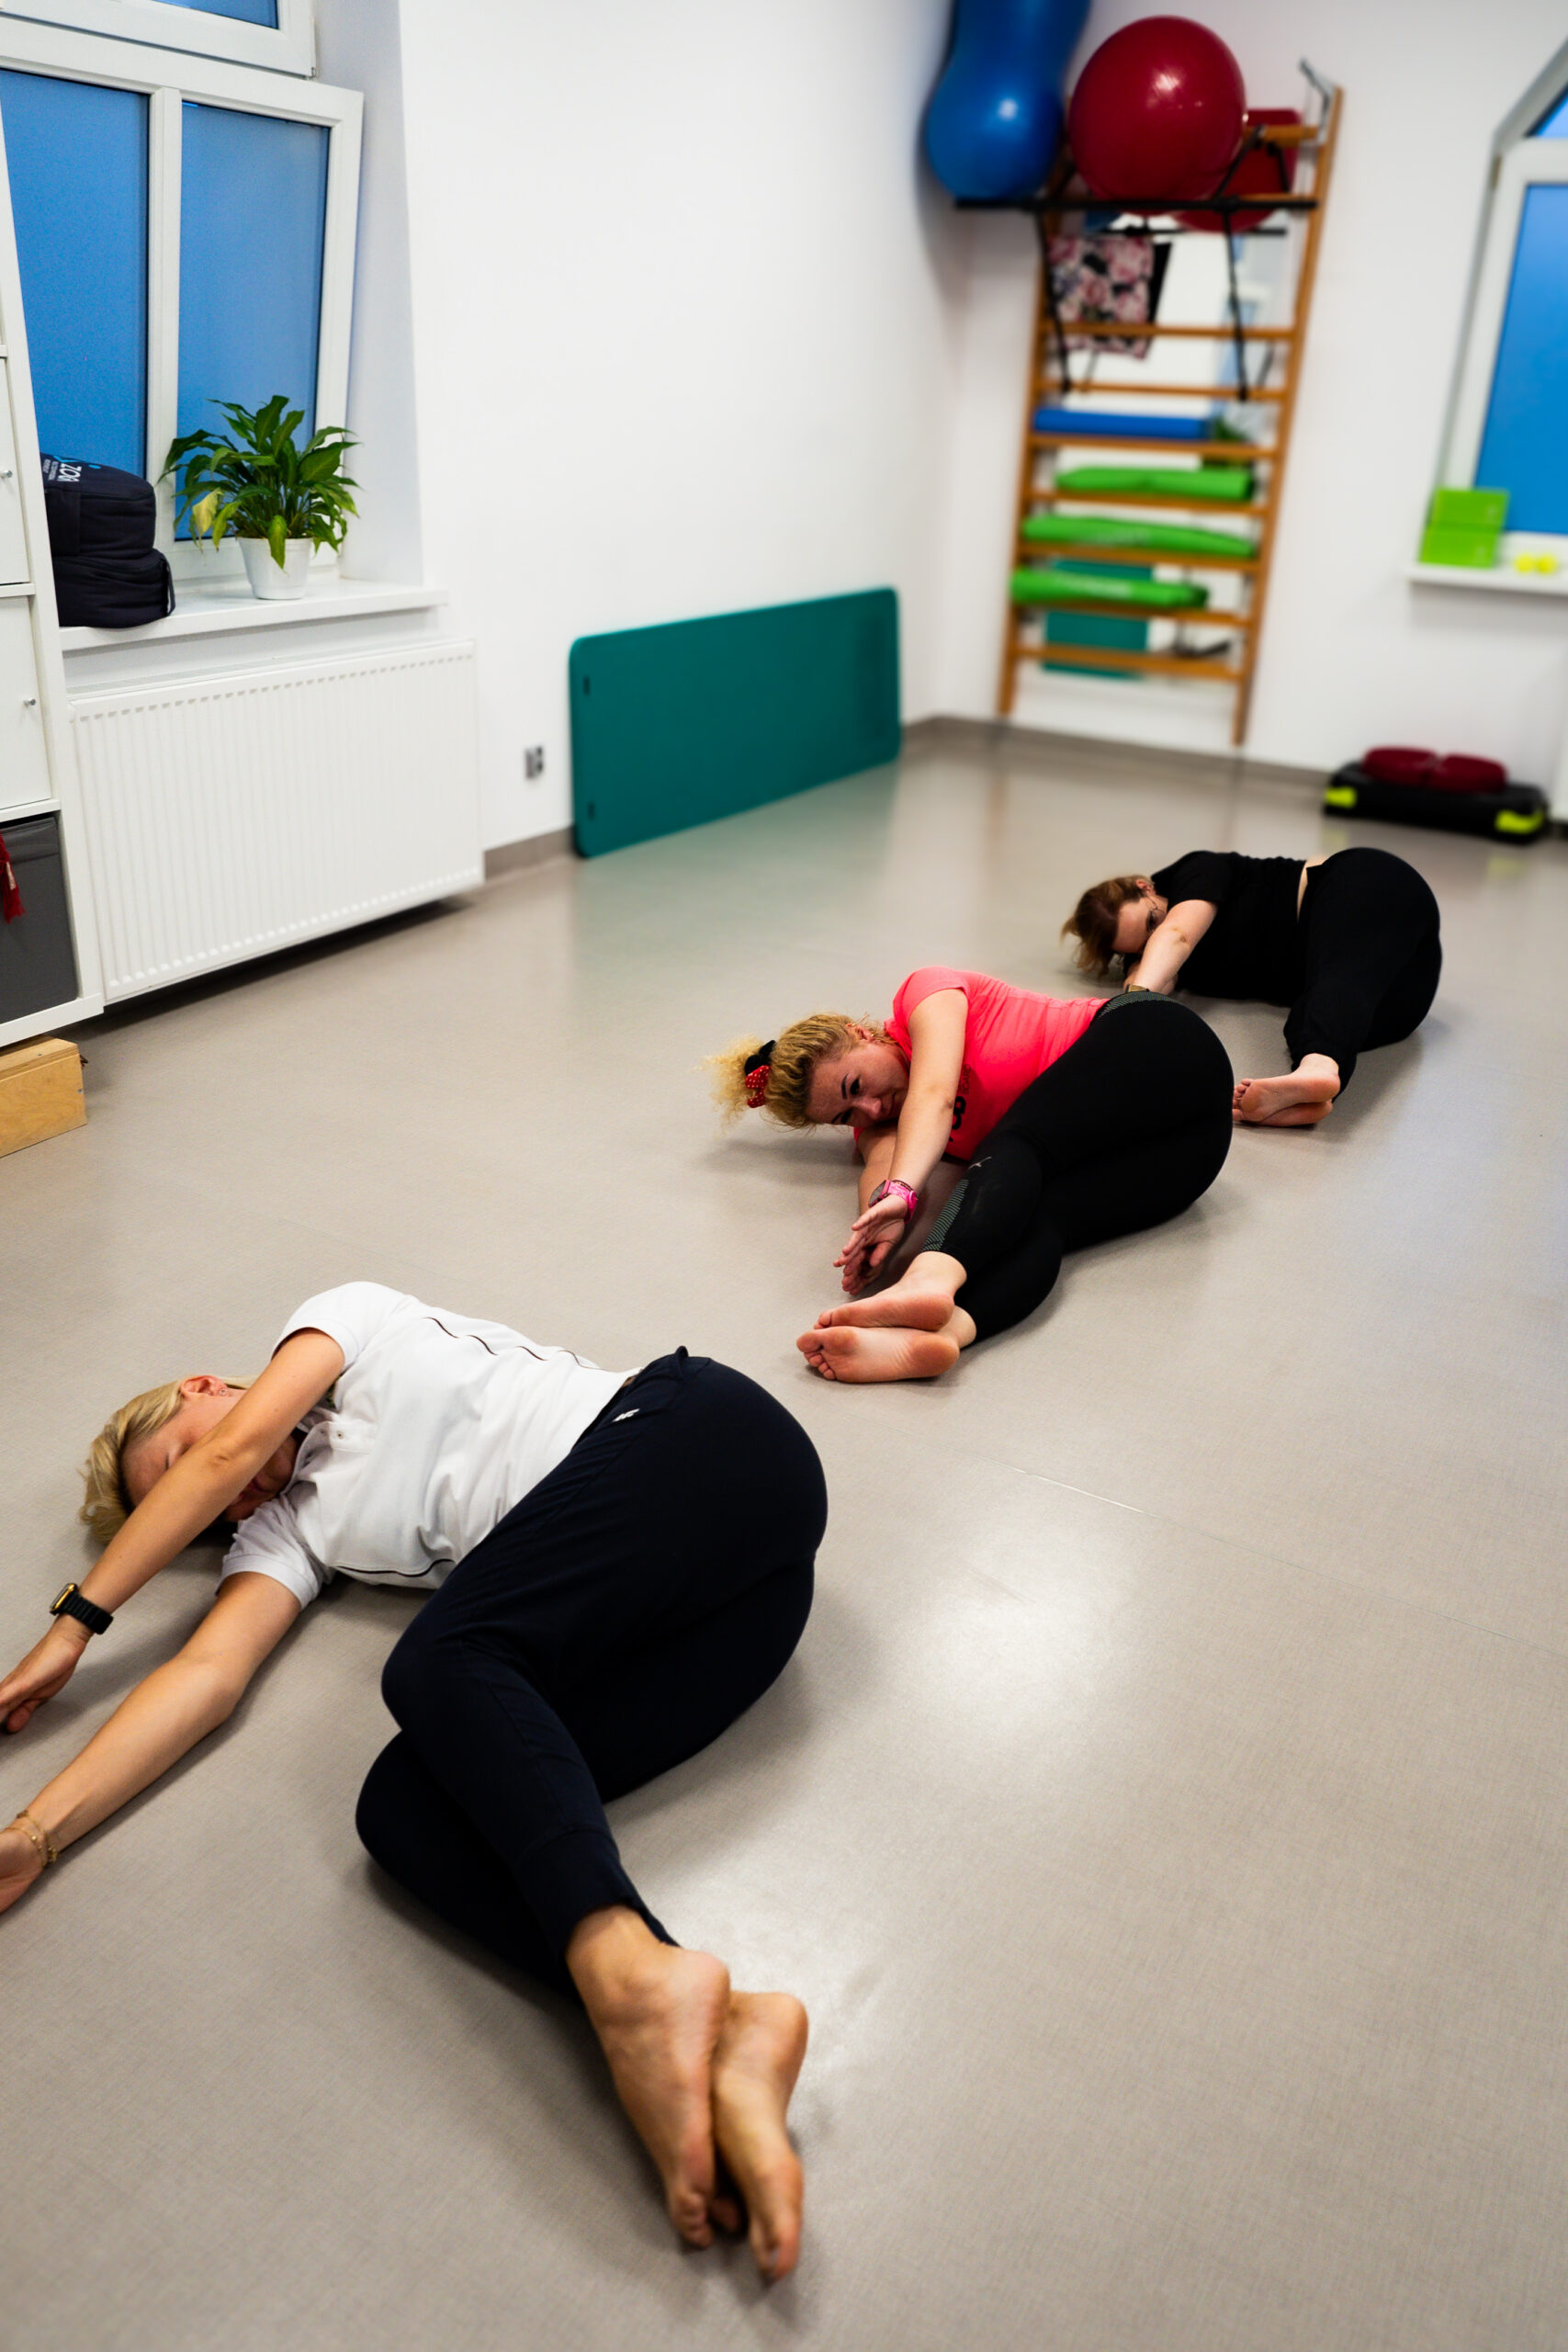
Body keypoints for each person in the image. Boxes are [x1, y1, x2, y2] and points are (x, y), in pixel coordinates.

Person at [0, 1283, 826, 2282]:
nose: (224, 1503)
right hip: (734, 1611)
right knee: (403, 1810)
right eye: (206, 1519)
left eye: (178, 1472)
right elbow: (206, 1676)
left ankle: (634, 1998)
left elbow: (228, 1454)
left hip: (708, 1442)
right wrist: (35, 1835)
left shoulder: (343, 1328)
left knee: (438, 1660)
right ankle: (716, 2022)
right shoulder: (286, 1533)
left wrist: (73, 1627)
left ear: (202, 1388)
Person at [707, 967, 1232, 1383]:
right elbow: (882, 1171)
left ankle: (930, 1282)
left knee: (1018, 1143)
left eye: (855, 1086)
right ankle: (942, 1336)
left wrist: (904, 1192)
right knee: (1040, 1217)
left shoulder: (925, 995)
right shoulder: (883, 1122)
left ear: (860, 1034)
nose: (870, 1108)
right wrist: (879, 1223)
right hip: (1188, 1153)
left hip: (1160, 1042)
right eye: (847, 1116)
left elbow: (934, 1097)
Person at [1063, 845, 1442, 1127]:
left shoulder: (1195, 871)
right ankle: (1310, 1092)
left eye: (1151, 920)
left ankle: (1318, 1069)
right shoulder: (1155, 956)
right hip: (1405, 991)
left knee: (1335, 985)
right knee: (1312, 1017)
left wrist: (1126, 1009)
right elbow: (1156, 976)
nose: (1153, 938)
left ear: (1145, 887)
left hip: (1363, 884)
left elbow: (1177, 935)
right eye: (1140, 946)